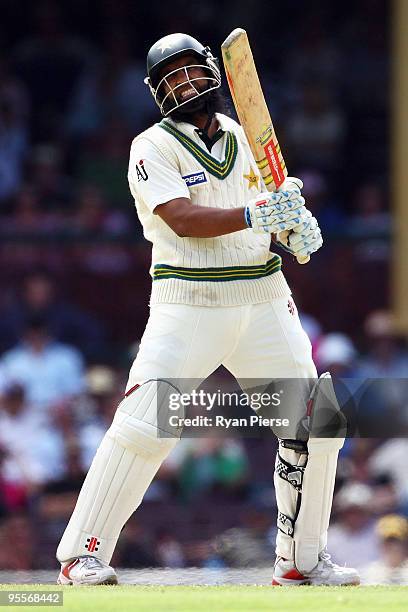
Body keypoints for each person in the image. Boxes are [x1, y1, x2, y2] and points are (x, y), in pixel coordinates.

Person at [56, 33, 359, 587]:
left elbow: (268, 214)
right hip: (189, 299)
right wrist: (258, 213)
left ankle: (302, 560)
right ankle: (83, 554)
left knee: (316, 423)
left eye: (192, 74)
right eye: (171, 80)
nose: (185, 86)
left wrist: (293, 230)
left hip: (264, 296)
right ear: (157, 93)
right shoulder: (151, 146)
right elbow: (183, 218)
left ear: (212, 76)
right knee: (147, 424)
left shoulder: (245, 138)